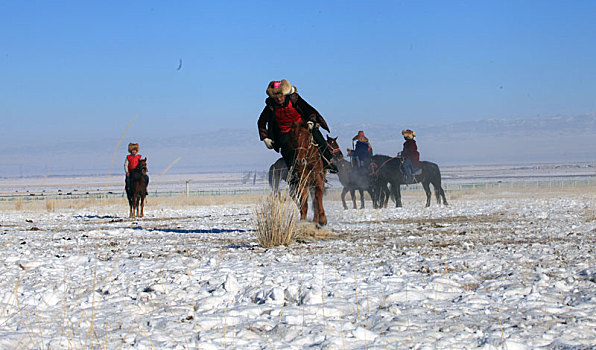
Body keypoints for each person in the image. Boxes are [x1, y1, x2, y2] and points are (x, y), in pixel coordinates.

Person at [257, 79, 338, 173]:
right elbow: (261, 122)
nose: (279, 99)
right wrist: (265, 138)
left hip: (301, 126)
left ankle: (327, 162)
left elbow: (309, 110)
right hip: (284, 131)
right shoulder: (270, 105)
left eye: (281, 96)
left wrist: (311, 121)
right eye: (276, 98)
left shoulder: (294, 98)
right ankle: (292, 172)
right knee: (285, 149)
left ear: (285, 94)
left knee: (319, 139)